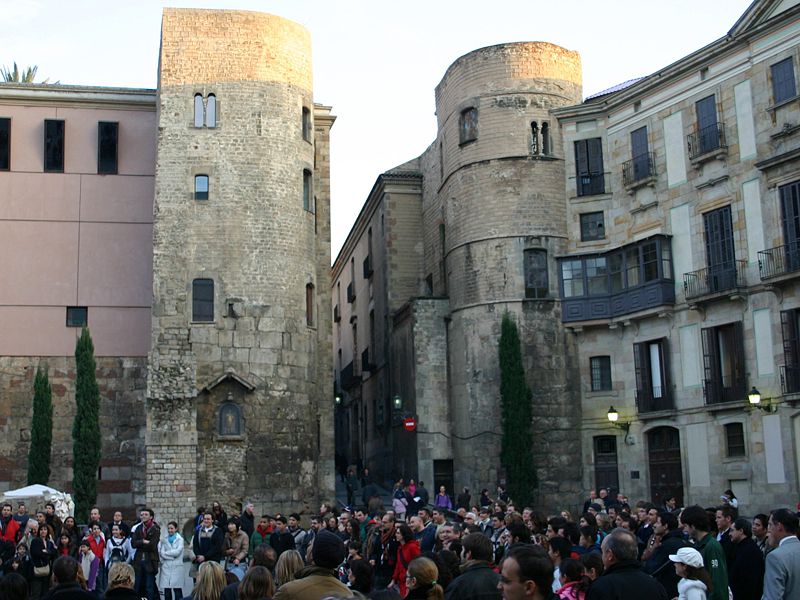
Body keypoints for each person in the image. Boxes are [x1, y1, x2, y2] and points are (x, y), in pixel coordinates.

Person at [585, 528, 667, 600]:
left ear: (610, 555)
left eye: (602, 552)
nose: (601, 557)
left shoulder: (601, 587)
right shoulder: (656, 586)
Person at [272, 529, 353, 600]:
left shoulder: (289, 591)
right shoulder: (348, 593)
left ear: (312, 555)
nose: (308, 546)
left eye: (311, 544)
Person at [679, 506, 727, 600]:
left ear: (693, 526)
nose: (684, 529)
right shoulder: (698, 545)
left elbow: (717, 582)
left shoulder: (712, 547)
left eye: (685, 526)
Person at [642, 510, 686, 599]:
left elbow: (651, 569)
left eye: (658, 523)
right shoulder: (679, 541)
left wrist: (654, 550)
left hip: (669, 591)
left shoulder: (667, 545)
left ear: (665, 526)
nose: (654, 525)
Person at [443, 532, 499, 600]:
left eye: (462, 550)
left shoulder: (459, 585)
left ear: (468, 554)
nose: (461, 553)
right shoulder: (501, 581)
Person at [762, 508, 800, 600]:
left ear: (779, 526)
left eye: (770, 525)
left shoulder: (775, 557)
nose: (768, 530)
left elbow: (772, 597)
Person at [727, 518, 763, 600]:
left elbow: (750, 583)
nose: (729, 533)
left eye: (732, 530)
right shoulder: (740, 547)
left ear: (741, 531)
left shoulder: (750, 550)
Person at [130, 507, 160, 600]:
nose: (143, 516)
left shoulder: (155, 529)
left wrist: (141, 543)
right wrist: (143, 541)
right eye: (142, 514)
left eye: (145, 514)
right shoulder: (138, 528)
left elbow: (152, 545)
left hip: (150, 561)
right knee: (137, 585)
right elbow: (133, 544)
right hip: (138, 561)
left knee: (149, 586)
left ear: (151, 517)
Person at [391, 524, 421, 597]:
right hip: (402, 580)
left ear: (404, 534)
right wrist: (393, 579)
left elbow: (419, 564)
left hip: (409, 580)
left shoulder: (413, 547)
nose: (396, 535)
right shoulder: (400, 548)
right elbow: (398, 564)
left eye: (398, 533)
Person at [158, 521, 185, 600]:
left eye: (172, 528)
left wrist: (166, 554)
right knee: (167, 590)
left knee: (177, 590)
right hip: (166, 567)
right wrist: (170, 556)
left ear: (176, 529)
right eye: (169, 528)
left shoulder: (180, 539)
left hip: (177, 567)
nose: (170, 530)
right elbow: (161, 552)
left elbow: (177, 553)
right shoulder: (164, 540)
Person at [30, 524, 56, 600]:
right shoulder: (36, 540)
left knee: (45, 592)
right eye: (41, 529)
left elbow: (54, 552)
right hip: (37, 569)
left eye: (45, 529)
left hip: (47, 570)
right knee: (36, 592)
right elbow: (35, 553)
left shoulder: (49, 542)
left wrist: (46, 552)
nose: (43, 531)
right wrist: (47, 553)